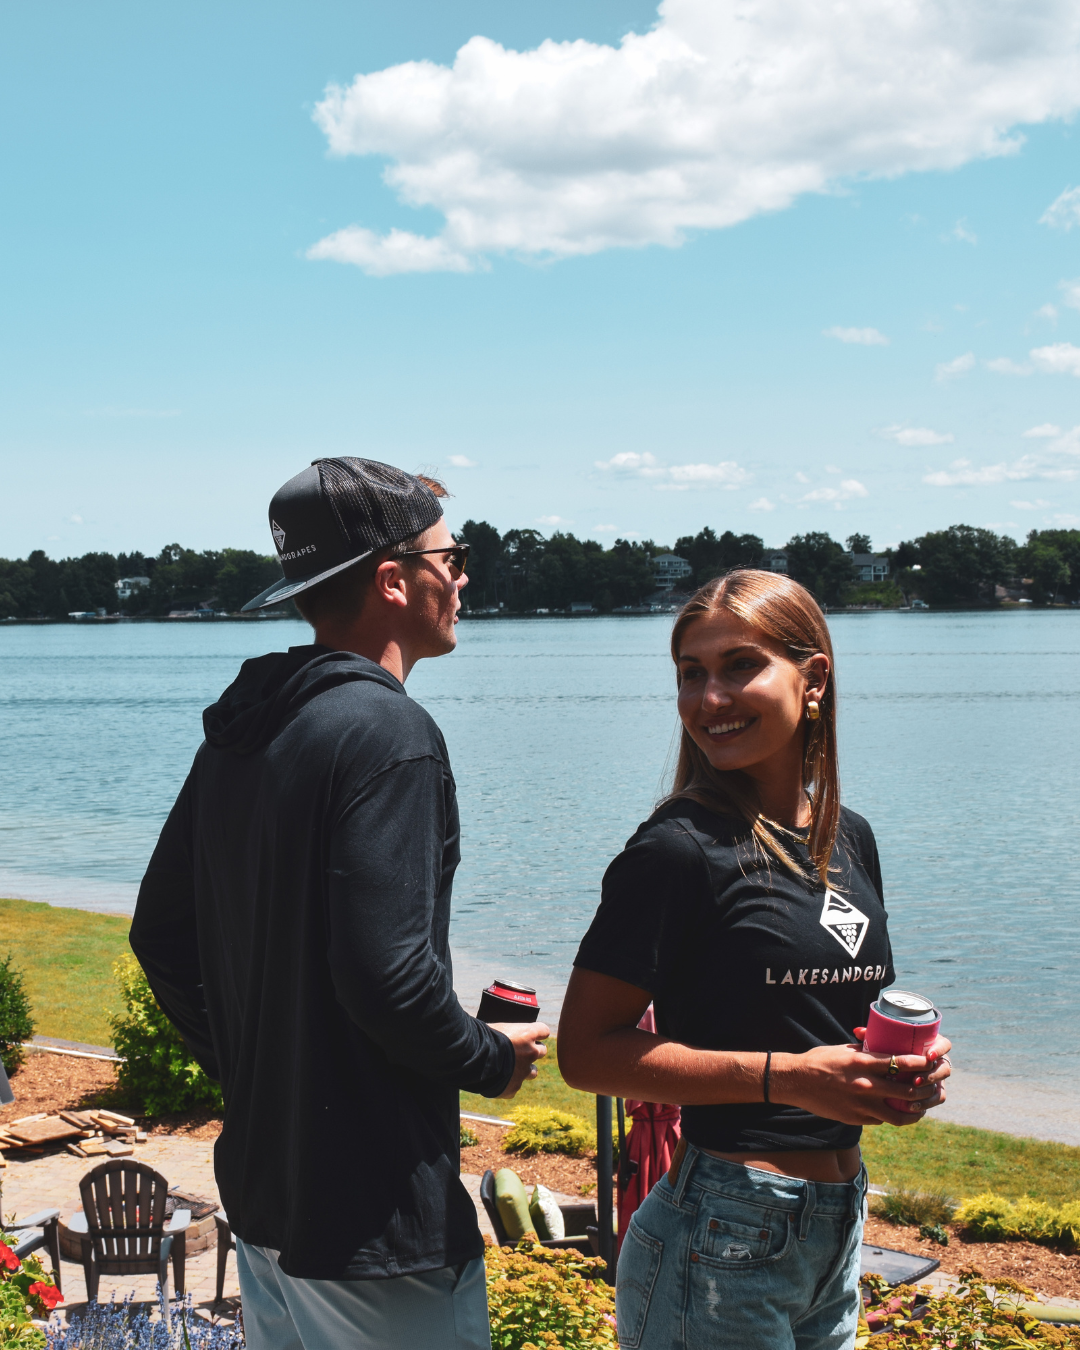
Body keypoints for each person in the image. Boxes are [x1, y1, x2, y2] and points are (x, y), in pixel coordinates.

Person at [129, 457, 548, 1350]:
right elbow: (386, 976)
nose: (463, 580)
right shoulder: (388, 733)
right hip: (372, 1219)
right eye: (452, 559)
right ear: (394, 580)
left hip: (268, 1199)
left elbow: (161, 934)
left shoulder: (249, 727)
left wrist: (259, 1070)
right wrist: (490, 1059)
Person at [558, 569, 951, 1350]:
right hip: (721, 1234)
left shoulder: (849, 837)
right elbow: (586, 1053)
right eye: (691, 673)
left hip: (835, 1227)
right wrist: (790, 1078)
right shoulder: (676, 851)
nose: (711, 698)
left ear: (815, 680)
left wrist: (905, 1070)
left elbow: (830, 1021)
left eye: (740, 666)